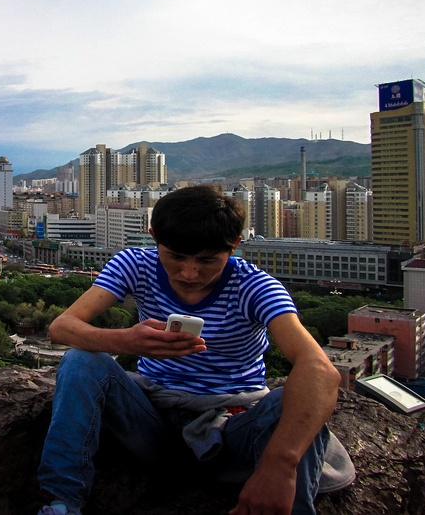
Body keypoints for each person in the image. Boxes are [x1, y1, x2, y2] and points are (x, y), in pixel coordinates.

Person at [35, 185, 347, 515]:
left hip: (231, 430)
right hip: (152, 422)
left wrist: (278, 465)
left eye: (207, 260)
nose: (190, 273)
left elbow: (320, 370)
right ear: (154, 237)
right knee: (80, 361)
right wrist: (128, 341)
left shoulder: (254, 286)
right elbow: (62, 328)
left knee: (293, 400)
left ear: (235, 244)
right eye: (176, 256)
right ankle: (62, 503)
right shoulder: (135, 264)